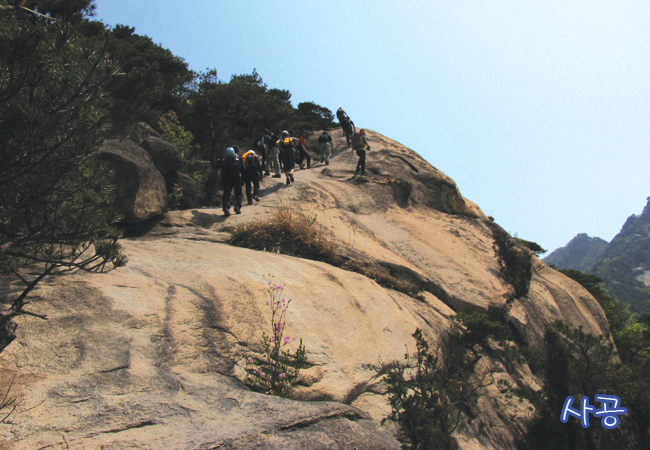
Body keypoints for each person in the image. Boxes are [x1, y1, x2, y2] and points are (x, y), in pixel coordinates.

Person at [215, 147, 243, 216]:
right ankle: (237, 206)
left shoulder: (223, 158)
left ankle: (226, 207)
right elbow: (242, 169)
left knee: (226, 193)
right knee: (238, 193)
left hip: (226, 178)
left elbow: (216, 167)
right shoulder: (238, 158)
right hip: (236, 177)